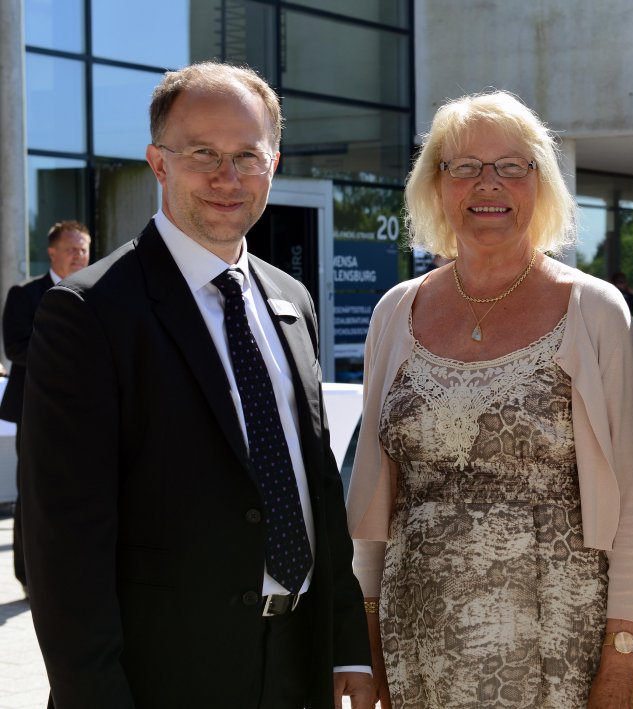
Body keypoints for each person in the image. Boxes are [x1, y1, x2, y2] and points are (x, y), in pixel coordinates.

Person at [20, 62, 372, 709]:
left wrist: (347, 638)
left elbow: (317, 482)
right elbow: (62, 548)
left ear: (275, 163)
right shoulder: (89, 314)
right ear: (158, 162)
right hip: (164, 679)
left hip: (297, 664)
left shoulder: (291, 300)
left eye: (247, 155)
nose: (226, 177)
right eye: (202, 153)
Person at [346, 90, 633, 708]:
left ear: (540, 185)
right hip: (418, 640)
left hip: (558, 647)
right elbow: (375, 502)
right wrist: (367, 643)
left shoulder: (592, 309)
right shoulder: (393, 312)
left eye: (512, 166)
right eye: (464, 166)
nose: (488, 184)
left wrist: (623, 664)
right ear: (435, 186)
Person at [0, 219, 91, 599]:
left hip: (89, 411)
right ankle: (28, 578)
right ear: (52, 252)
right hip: (36, 409)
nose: (79, 256)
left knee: (88, 492)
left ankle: (77, 569)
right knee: (33, 493)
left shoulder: (102, 293)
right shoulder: (24, 294)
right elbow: (15, 349)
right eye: (71, 249)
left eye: (84, 249)